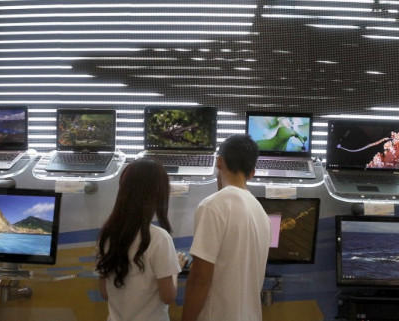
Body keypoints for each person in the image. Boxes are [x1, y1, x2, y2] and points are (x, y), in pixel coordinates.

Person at [181, 134, 272, 321]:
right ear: (252, 172)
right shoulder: (262, 214)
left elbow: (200, 278)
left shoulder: (213, 205)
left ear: (219, 162)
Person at [96, 158, 184, 321]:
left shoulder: (107, 235)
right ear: (158, 194)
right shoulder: (159, 238)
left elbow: (105, 292)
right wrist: (175, 271)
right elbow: (168, 296)